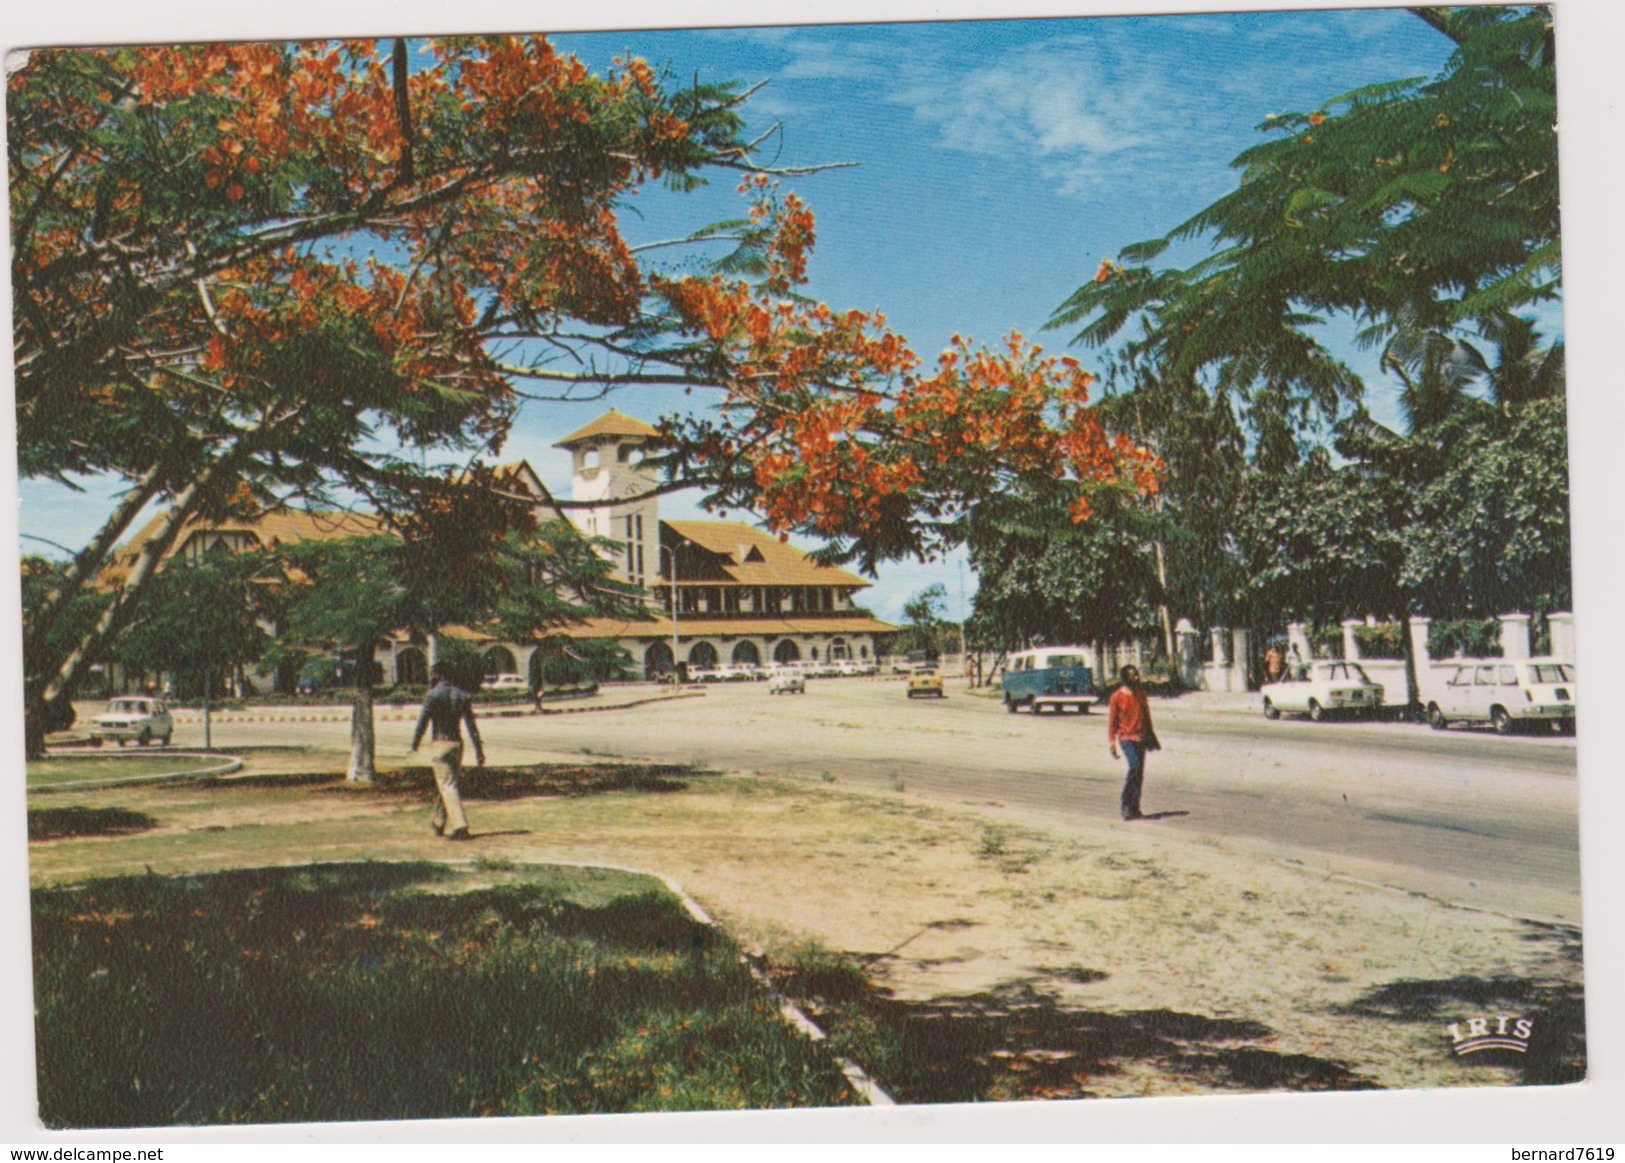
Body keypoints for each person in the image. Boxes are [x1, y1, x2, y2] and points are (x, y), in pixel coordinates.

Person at [410, 663, 485, 841]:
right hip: (457, 744)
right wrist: (478, 750)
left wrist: (415, 743)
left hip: (440, 743)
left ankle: (460, 827)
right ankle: (437, 821)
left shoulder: (433, 695)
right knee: (447, 784)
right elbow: (471, 726)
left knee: (448, 786)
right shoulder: (462, 695)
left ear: (438, 674)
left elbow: (423, 721)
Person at [1106, 664, 1159, 821]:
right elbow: (1112, 722)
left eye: (1136, 674)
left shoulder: (1140, 693)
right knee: (1134, 767)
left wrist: (1151, 736)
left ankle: (1134, 807)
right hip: (1126, 738)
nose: (1135, 677)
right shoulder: (1116, 697)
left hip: (1141, 737)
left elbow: (1146, 716)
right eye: (1131, 675)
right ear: (1124, 677)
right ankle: (1125, 802)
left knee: (1139, 773)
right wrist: (1111, 743)